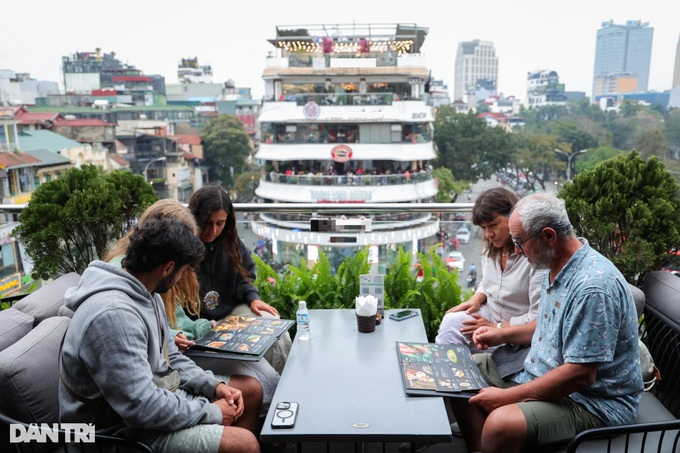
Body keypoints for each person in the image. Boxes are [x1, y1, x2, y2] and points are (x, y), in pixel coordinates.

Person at [452, 193, 642, 453]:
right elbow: (542, 330)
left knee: (501, 424)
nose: (516, 249)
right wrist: (499, 334)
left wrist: (507, 397)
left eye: (519, 241)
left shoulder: (592, 288)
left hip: (592, 402)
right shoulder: (555, 265)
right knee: (459, 369)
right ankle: (479, 447)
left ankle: (491, 440)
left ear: (549, 236)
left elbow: (581, 375)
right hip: (539, 373)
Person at [60, 218, 261, 453]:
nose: (180, 280)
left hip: (151, 400)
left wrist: (213, 386)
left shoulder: (147, 293)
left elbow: (170, 357)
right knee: (244, 444)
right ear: (167, 268)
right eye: (183, 272)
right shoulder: (114, 317)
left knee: (250, 391)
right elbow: (141, 408)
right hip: (113, 435)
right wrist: (212, 412)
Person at [104, 199, 280, 409]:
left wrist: (205, 327)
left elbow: (176, 324)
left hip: (181, 355)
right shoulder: (129, 287)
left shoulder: (153, 281)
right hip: (170, 369)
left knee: (260, 369)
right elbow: (143, 396)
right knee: (256, 379)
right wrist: (212, 411)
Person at [189, 185, 292, 375]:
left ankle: (283, 389)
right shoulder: (184, 243)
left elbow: (244, 275)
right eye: (207, 222)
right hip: (194, 321)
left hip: (230, 311)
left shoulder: (230, 239)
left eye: (220, 223)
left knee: (274, 331)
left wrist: (253, 298)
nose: (213, 230)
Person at [436, 188, 544, 356]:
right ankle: (448, 373)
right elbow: (488, 283)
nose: (488, 234)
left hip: (518, 331)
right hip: (488, 316)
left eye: (493, 225)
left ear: (513, 217)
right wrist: (477, 297)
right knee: (451, 323)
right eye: (483, 227)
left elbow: (538, 318)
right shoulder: (491, 247)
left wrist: (497, 328)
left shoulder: (535, 256)